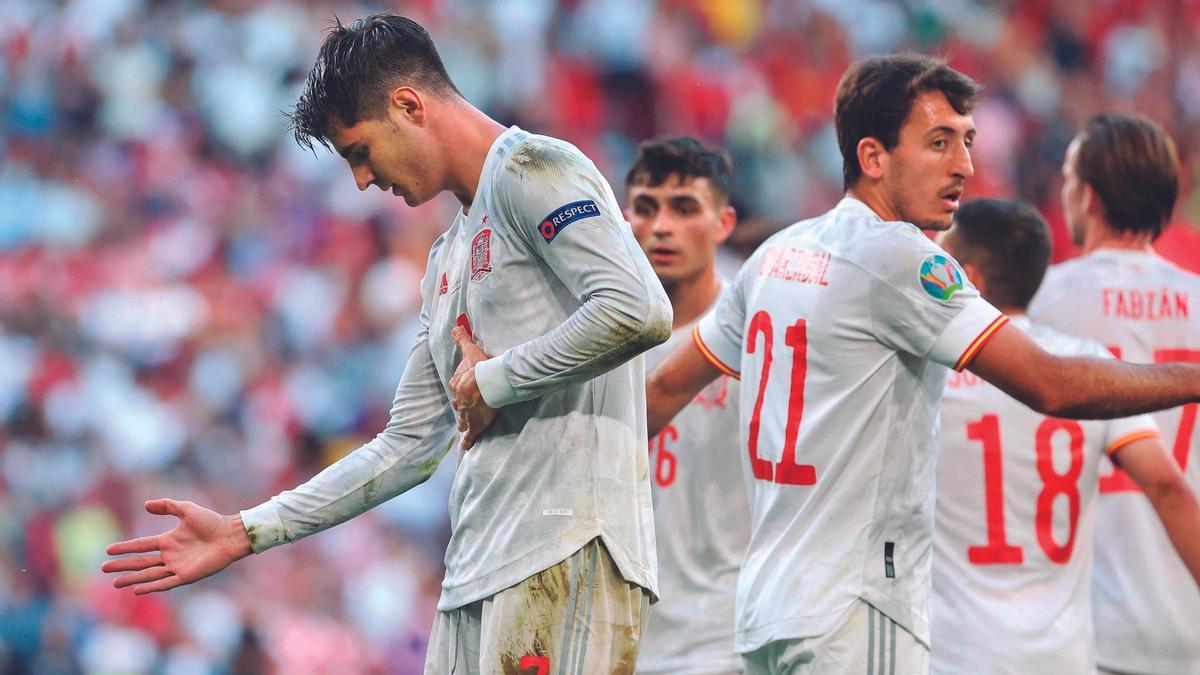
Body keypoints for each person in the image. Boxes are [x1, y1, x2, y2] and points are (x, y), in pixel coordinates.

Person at [102, 14, 673, 674]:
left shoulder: (534, 168)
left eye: (360, 152)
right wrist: (244, 530)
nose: (363, 182)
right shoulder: (447, 257)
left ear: (408, 105)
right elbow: (406, 444)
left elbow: (637, 307)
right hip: (477, 568)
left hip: (567, 542)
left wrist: (497, 379)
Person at [645, 54, 1200, 675]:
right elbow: (1053, 386)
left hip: (766, 608)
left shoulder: (779, 252)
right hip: (859, 608)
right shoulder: (900, 256)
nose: (964, 165)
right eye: (939, 143)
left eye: (966, 141)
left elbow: (665, 387)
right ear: (874, 157)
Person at [931, 198, 1200, 674]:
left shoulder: (930, 375)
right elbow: (1167, 485)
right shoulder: (1087, 367)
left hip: (954, 653)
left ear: (970, 281)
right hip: (1063, 657)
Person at [1028, 112, 1200, 675]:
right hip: (1187, 596)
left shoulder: (1040, 304)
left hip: (1080, 614)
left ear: (1091, 198)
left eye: (1070, 178)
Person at [623, 137, 750, 675]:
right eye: (646, 208)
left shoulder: (758, 332)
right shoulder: (594, 338)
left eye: (684, 208)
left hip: (728, 635)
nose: (661, 227)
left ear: (724, 224)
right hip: (625, 638)